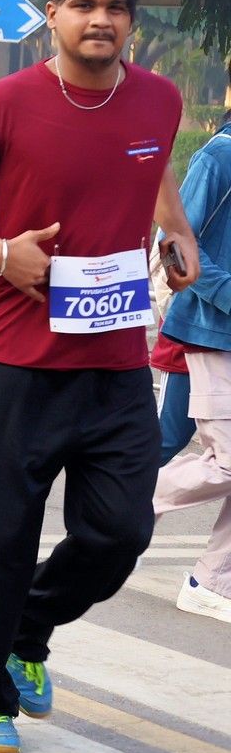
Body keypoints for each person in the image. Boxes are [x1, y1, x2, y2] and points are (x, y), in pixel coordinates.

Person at [0, 0, 198, 753]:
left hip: (117, 362)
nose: (101, 18)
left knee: (122, 531)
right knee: (2, 537)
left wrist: (177, 230)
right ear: (54, 14)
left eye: (115, 6)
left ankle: (29, 627)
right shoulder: (6, 103)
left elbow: (154, 163)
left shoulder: (160, 98)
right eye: (84, 3)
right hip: (17, 359)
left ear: (131, 21)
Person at [152, 108, 231, 626]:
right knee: (224, 459)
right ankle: (126, 503)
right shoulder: (220, 155)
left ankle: (213, 581)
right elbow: (177, 242)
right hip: (211, 332)